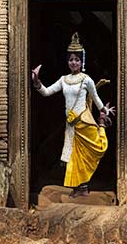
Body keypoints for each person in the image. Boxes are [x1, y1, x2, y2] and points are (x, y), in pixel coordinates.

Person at [31, 32, 115, 197]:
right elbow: (47, 92)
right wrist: (36, 81)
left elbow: (96, 99)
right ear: (67, 62)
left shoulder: (86, 80)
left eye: (77, 59)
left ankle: (83, 185)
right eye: (71, 60)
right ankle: (81, 187)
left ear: (81, 62)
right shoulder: (63, 80)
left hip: (84, 122)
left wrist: (105, 111)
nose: (74, 62)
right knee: (73, 156)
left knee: (95, 150)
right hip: (71, 124)